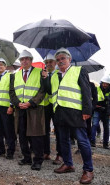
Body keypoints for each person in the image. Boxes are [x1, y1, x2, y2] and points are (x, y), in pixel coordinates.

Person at [51, 48, 94, 184]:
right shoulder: (55, 75)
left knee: (82, 141)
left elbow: (86, 91)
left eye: (63, 58)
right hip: (60, 112)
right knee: (63, 140)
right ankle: (68, 164)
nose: (60, 61)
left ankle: (88, 170)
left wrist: (87, 110)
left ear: (69, 59)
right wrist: (44, 76)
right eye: (58, 60)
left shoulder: (78, 71)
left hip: (75, 112)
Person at [10, 50, 46, 171]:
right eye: (22, 59)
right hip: (20, 109)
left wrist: (30, 103)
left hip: (34, 109)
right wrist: (17, 103)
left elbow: (42, 90)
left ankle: (38, 160)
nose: (24, 61)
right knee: (22, 135)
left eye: (27, 59)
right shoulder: (15, 75)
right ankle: (26, 157)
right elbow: (12, 92)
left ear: (31, 60)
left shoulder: (40, 72)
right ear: (20, 61)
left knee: (36, 135)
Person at [0, 58, 16, 160]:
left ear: (5, 66)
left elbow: (13, 91)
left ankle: (10, 151)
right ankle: (1, 150)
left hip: (6, 107)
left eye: (1, 65)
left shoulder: (10, 76)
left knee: (8, 130)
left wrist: (11, 105)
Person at [42, 53, 63, 165]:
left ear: (55, 63)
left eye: (51, 62)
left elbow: (51, 90)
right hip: (45, 106)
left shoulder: (59, 74)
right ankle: (46, 152)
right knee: (45, 130)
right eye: (47, 62)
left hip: (56, 106)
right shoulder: (43, 74)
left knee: (58, 130)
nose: (49, 64)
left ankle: (60, 154)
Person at [90, 75, 110, 149]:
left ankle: (105, 144)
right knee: (94, 125)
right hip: (97, 110)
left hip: (106, 112)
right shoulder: (97, 89)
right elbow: (94, 99)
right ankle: (92, 142)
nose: (105, 85)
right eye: (104, 83)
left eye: (106, 84)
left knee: (106, 128)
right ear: (101, 83)